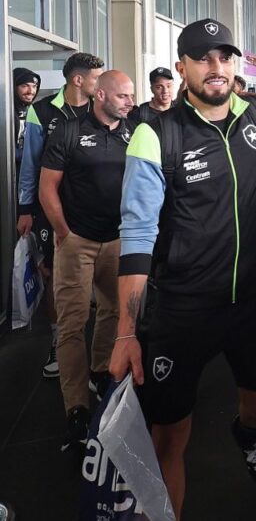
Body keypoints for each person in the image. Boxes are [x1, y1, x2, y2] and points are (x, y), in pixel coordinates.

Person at [110, 19, 256, 519]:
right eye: (203, 58)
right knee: (169, 437)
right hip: (181, 308)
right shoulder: (154, 134)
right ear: (182, 66)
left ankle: (246, 434)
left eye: (224, 57)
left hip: (251, 299)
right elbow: (138, 234)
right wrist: (126, 330)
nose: (216, 67)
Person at [39, 71, 135, 450]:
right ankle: (76, 407)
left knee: (113, 312)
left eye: (131, 96)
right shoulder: (68, 131)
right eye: (123, 96)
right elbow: (48, 187)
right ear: (100, 94)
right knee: (72, 324)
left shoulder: (134, 131)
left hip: (117, 239)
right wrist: (64, 232)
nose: (130, 102)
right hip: (76, 240)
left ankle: (99, 371)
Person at [17, 52, 103, 379]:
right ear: (78, 79)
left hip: (95, 205)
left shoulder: (101, 107)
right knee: (55, 276)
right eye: (96, 77)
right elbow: (30, 166)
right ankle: (58, 338)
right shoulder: (43, 112)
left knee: (101, 275)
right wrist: (26, 209)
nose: (100, 83)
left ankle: (101, 352)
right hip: (52, 206)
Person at [13, 67, 40, 176]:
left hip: (25, 172)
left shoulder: (31, 110)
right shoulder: (4, 111)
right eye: (24, 86)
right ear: (13, 87)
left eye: (34, 86)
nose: (31, 91)